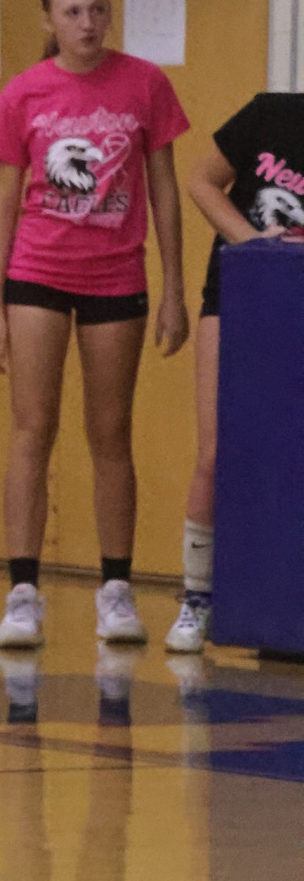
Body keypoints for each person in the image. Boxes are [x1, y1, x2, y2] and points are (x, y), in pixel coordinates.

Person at [0, 0, 190, 652]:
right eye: (72, 12)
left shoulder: (145, 84)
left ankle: (116, 590)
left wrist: (174, 289)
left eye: (97, 9)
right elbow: (3, 198)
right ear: (48, 21)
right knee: (30, 428)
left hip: (116, 276)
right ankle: (22, 594)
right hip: (37, 273)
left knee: (110, 432)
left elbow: (163, 188)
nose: (87, 23)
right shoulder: (24, 92)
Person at [165, 94, 304, 652]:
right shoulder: (269, 115)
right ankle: (197, 596)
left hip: (298, 307)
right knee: (216, 452)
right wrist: (254, 248)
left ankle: (284, 602)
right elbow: (201, 182)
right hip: (240, 298)